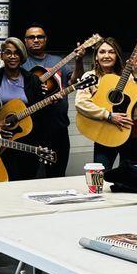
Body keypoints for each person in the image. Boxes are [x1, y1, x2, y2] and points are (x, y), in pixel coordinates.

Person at [75, 37, 137, 170]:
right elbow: (81, 103)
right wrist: (108, 115)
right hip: (105, 132)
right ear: (96, 57)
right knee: (101, 174)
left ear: (117, 56)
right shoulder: (89, 77)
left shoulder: (129, 76)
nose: (106, 55)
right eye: (102, 52)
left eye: (111, 52)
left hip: (133, 134)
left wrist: (136, 75)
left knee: (128, 176)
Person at [22, 24, 85, 177]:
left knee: (57, 173)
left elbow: (75, 81)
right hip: (31, 129)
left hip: (58, 127)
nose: (36, 40)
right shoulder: (21, 64)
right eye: (31, 37)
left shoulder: (58, 61)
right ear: (25, 41)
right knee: (30, 174)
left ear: (46, 39)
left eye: (40, 37)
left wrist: (78, 61)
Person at [0, 37, 45, 181]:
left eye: (16, 53)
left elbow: (40, 112)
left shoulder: (32, 80)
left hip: (26, 141)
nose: (12, 56)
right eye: (8, 52)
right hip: (0, 140)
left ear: (22, 56)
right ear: (2, 55)